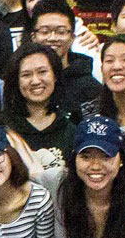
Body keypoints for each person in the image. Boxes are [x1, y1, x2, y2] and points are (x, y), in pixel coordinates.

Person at [5, 42, 75, 178]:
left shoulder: (70, 130)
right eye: (26, 75)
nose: (35, 81)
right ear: (16, 81)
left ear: (55, 76)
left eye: (42, 72)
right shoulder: (3, 127)